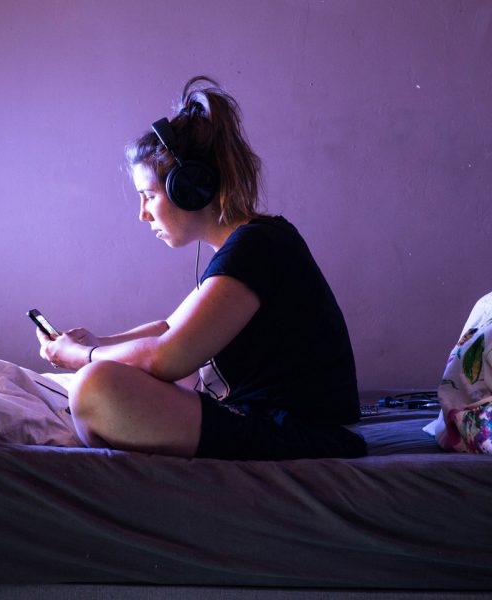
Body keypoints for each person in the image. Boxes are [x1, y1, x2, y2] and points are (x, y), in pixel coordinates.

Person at [36, 76, 366, 461]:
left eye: (149, 196)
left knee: (95, 385)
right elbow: (168, 329)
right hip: (281, 424)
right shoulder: (252, 244)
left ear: (188, 188)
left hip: (301, 434)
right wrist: (95, 342)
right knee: (97, 383)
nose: (142, 214)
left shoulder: (259, 246)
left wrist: (83, 358)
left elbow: (168, 356)